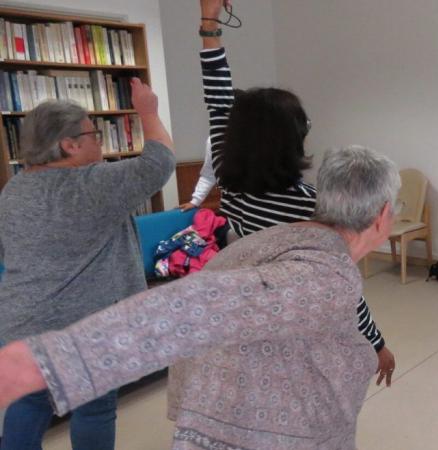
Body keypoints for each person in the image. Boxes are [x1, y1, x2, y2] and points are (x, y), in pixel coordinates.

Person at [0, 145, 401, 450]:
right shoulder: (325, 276)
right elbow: (205, 306)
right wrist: (57, 363)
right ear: (383, 215)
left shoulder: (290, 239)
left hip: (218, 419)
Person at [197, 0, 395, 384]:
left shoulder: (227, 170)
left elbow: (218, 97)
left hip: (237, 312)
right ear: (293, 140)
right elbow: (344, 288)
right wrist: (377, 343)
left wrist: (209, 22)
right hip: (290, 327)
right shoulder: (311, 208)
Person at [0, 78, 175, 450]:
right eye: (94, 133)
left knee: (29, 403)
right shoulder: (92, 184)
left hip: (22, 322)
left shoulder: (14, 190)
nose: (100, 140)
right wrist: (148, 111)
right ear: (70, 144)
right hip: (84, 327)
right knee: (94, 407)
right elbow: (159, 161)